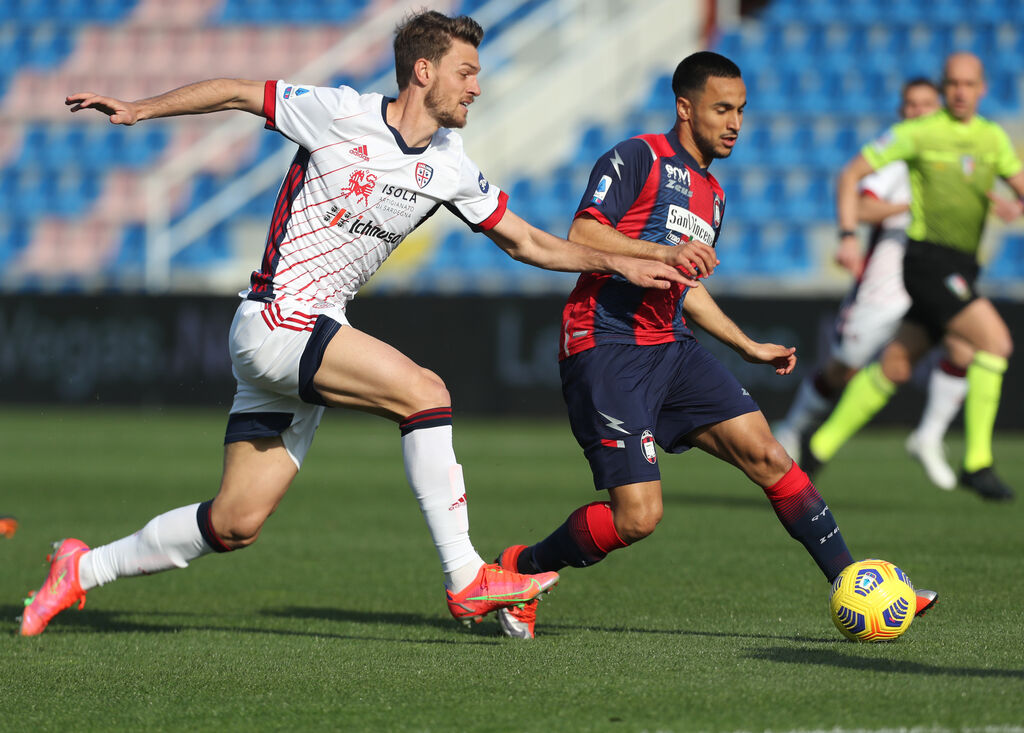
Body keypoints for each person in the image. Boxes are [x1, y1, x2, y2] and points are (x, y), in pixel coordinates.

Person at [18, 10, 698, 637]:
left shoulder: (450, 167)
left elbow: (529, 242)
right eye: (466, 72)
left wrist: (622, 262)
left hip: (306, 338)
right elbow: (233, 91)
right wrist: (140, 108)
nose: (476, 88)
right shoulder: (339, 112)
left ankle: (80, 568)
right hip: (278, 318)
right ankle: (467, 577)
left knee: (235, 521)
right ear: (423, 71)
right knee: (426, 393)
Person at [491, 52, 937, 639]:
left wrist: (745, 343)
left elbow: (688, 286)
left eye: (742, 111)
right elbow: (585, 232)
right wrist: (663, 253)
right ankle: (518, 570)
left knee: (770, 456)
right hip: (606, 345)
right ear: (685, 108)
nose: (735, 123)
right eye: (722, 109)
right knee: (639, 517)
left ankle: (854, 579)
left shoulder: (713, 194)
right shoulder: (639, 157)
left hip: (671, 347)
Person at [802, 52, 1024, 501]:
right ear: (945, 88)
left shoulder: (992, 139)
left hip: (961, 266)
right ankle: (977, 461)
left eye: (969, 84)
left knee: (899, 363)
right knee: (994, 343)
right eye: (953, 84)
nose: (960, 92)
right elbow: (851, 175)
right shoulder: (918, 133)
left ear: (983, 89)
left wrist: (1013, 204)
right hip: (927, 262)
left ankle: (818, 446)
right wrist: (847, 235)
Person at [774, 78, 973, 491]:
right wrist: (908, 208)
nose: (917, 112)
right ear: (901, 111)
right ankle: (794, 426)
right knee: (844, 366)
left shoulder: (948, 158)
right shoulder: (894, 158)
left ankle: (930, 437)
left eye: (925, 105)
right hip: (886, 286)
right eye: (910, 105)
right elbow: (862, 205)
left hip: (930, 281)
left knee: (965, 344)